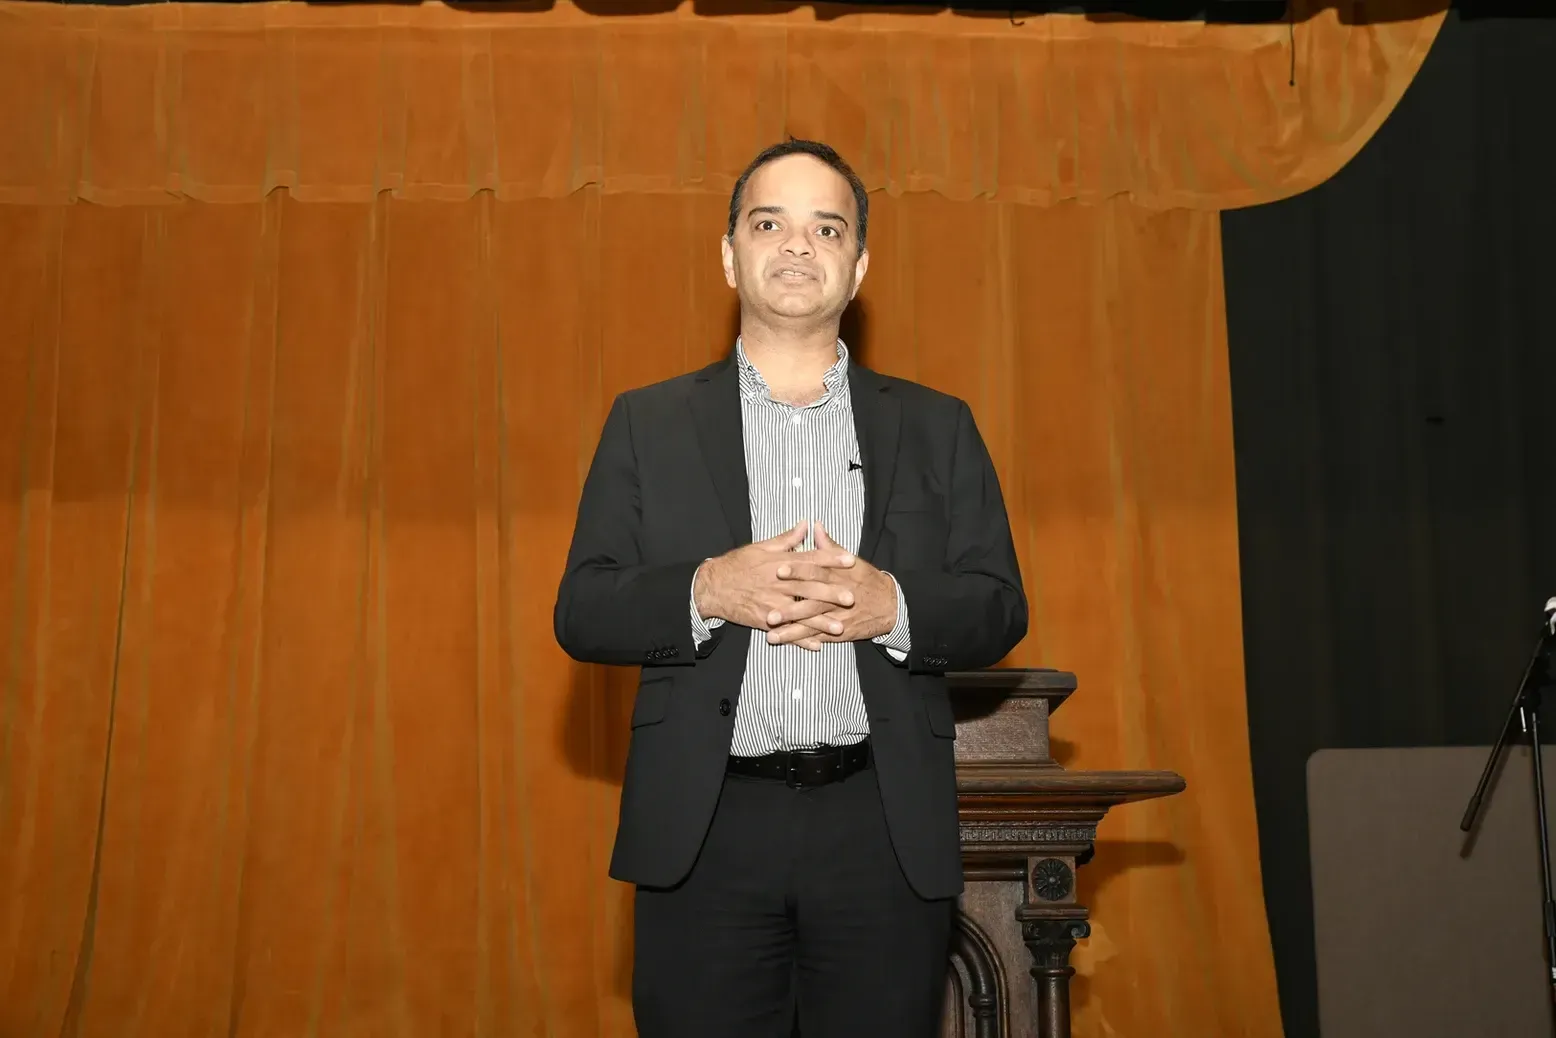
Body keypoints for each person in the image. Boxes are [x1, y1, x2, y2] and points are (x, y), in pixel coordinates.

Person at [553, 139, 1028, 1038]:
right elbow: (582, 607)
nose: (798, 246)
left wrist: (895, 608)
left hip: (880, 826)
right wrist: (706, 588)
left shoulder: (938, 425)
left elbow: (1000, 604)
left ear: (858, 267)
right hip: (707, 829)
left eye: (827, 228)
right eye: (770, 222)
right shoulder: (647, 422)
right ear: (730, 255)